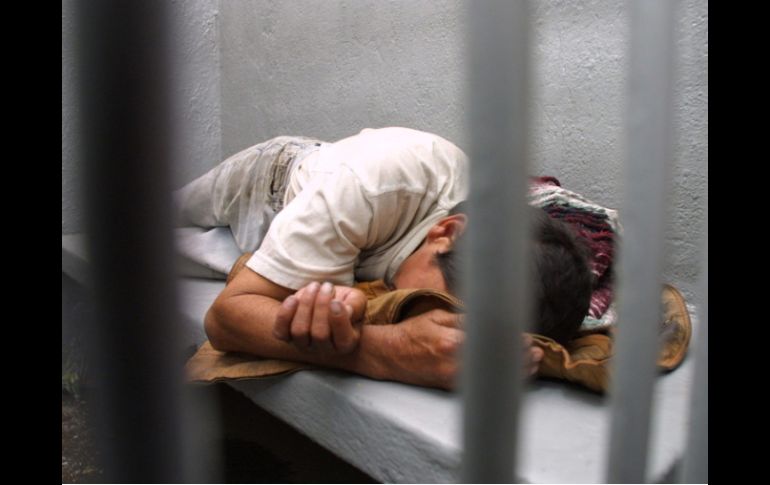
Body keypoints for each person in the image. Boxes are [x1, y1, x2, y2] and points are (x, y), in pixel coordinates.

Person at [177, 127, 592, 389]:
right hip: (269, 181)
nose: (439, 333)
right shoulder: (364, 188)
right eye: (434, 309)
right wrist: (389, 353)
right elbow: (225, 319)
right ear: (446, 234)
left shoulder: (521, 256)